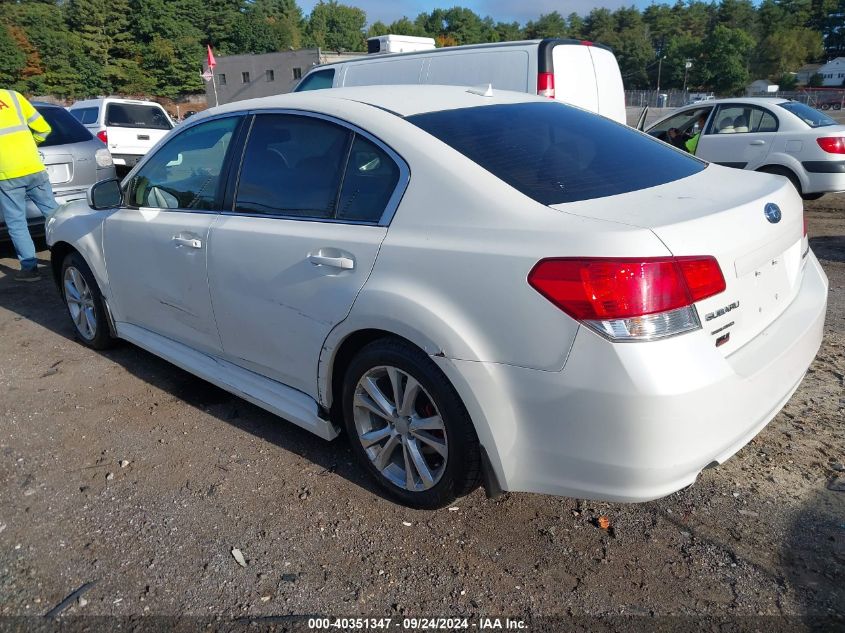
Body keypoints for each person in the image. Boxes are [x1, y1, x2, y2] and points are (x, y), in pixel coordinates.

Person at [0, 88, 59, 282]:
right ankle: (75, 252)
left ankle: (30, 269)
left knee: (17, 223)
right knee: (54, 214)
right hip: (33, 167)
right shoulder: (13, 96)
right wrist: (31, 146)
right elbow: (44, 129)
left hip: (6, 175)